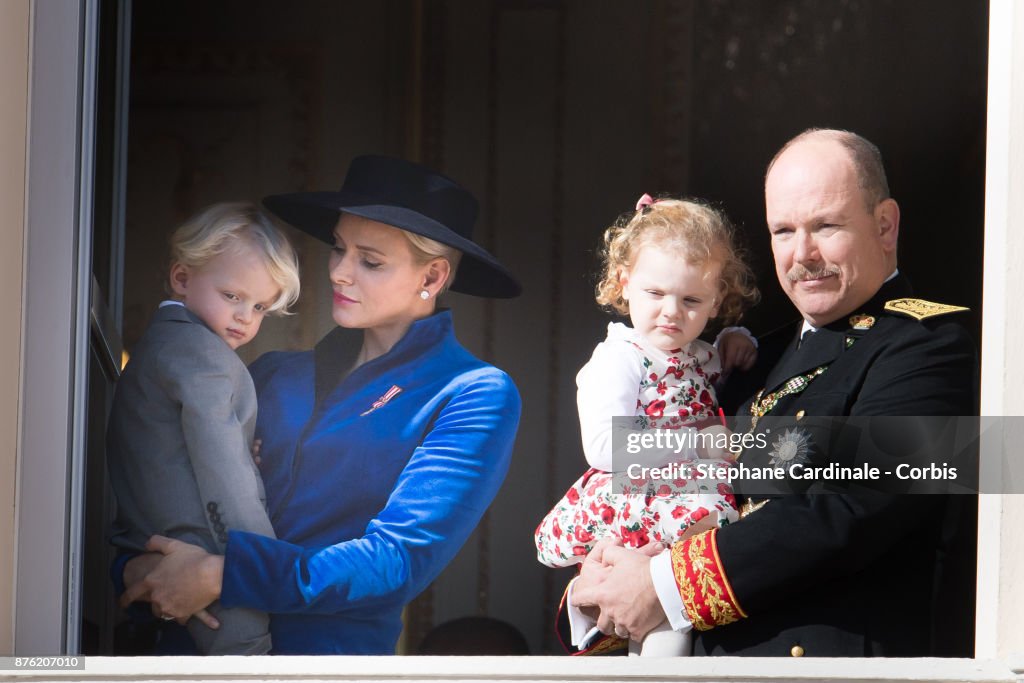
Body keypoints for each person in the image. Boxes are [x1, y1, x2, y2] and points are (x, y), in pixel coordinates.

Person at [569, 128, 977, 657]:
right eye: (783, 231)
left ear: (885, 225)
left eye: (826, 226)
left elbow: (854, 509)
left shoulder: (929, 345)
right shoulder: (750, 357)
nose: (802, 253)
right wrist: (611, 578)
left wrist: (662, 586)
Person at [118, 155, 523, 655]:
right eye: (338, 249)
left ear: (433, 277)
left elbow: (396, 562)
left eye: (369, 261)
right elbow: (157, 477)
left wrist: (224, 575)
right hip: (179, 652)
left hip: (322, 666)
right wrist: (131, 566)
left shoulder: (473, 392)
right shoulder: (270, 372)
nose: (339, 273)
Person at [534, 195, 758, 656]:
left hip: (690, 497)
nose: (672, 311)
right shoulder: (620, 357)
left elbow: (716, 370)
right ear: (624, 283)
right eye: (656, 294)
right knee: (661, 623)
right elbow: (602, 447)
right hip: (643, 500)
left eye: (691, 299)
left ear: (717, 302)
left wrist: (739, 340)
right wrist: (698, 447)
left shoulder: (697, 354)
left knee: (678, 614)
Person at [107, 202, 301, 654]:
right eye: (233, 296)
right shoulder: (203, 356)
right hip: (208, 560)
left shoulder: (159, 346)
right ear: (181, 278)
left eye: (260, 307)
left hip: (151, 552)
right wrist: (261, 562)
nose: (245, 318)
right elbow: (225, 474)